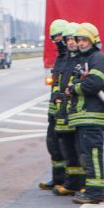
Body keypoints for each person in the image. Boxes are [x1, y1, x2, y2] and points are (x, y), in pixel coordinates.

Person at [64, 22, 104, 204]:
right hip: (84, 117)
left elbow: (95, 84)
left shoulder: (97, 58)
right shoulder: (85, 60)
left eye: (84, 40)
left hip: (92, 116)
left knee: (92, 155)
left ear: (93, 40)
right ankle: (90, 190)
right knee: (86, 156)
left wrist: (73, 89)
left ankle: (95, 193)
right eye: (79, 40)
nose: (81, 43)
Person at [54, 23, 86, 196]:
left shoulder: (82, 59)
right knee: (67, 148)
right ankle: (72, 183)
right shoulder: (67, 58)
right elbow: (60, 82)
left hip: (76, 110)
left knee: (79, 148)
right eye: (68, 39)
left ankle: (82, 184)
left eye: (74, 39)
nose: (71, 42)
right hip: (64, 110)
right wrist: (56, 97)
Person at [39, 18, 69, 191]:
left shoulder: (71, 58)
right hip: (54, 110)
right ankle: (57, 178)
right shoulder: (60, 58)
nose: (56, 40)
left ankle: (68, 180)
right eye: (53, 37)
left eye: (58, 36)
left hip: (65, 111)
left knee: (66, 147)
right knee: (53, 144)